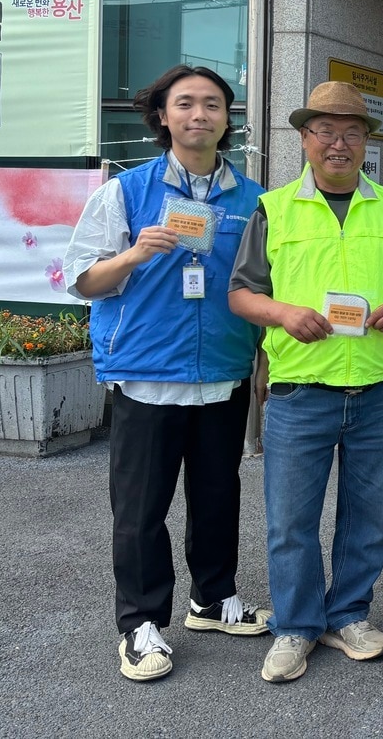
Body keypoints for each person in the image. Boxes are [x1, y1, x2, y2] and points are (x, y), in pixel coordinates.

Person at [227, 81, 383, 684]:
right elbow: (242, 294)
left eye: (350, 131)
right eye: (325, 131)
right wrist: (285, 314)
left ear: (366, 141)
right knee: (290, 518)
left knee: (369, 515)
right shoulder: (274, 208)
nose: (337, 143)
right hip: (300, 390)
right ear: (305, 140)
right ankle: (294, 628)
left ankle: (348, 615)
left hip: (380, 387)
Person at [63, 65, 269, 682]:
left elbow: (259, 285)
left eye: (212, 104)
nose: (199, 115)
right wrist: (134, 252)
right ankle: (140, 623)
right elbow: (81, 279)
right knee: (140, 508)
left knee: (217, 496)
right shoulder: (125, 193)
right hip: (147, 375)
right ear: (161, 116)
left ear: (227, 118)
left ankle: (213, 598)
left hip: (222, 374)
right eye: (185, 104)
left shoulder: (252, 199)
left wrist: (259, 360)